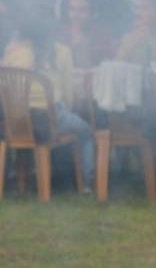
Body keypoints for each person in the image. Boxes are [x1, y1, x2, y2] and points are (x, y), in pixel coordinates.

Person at [3, 12, 95, 189]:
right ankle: (87, 183)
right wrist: (67, 111)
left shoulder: (14, 52)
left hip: (15, 122)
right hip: (50, 120)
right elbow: (68, 93)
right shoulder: (62, 51)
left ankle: (15, 180)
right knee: (85, 131)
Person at [60, 0, 116, 68]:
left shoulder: (102, 37)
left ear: (93, 14)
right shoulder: (59, 36)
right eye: (72, 9)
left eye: (82, 10)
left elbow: (109, 65)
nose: (76, 15)